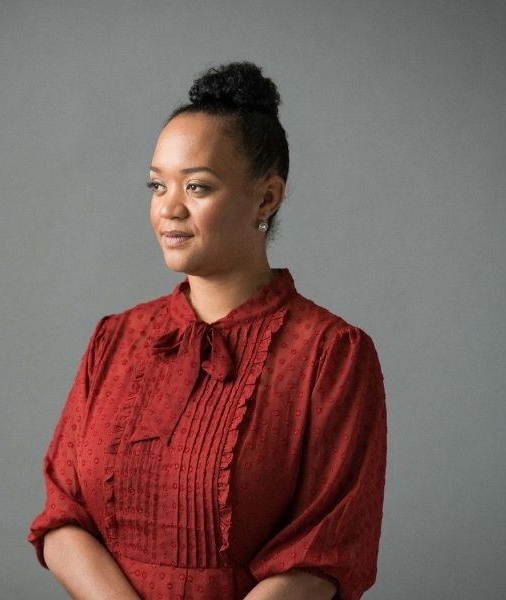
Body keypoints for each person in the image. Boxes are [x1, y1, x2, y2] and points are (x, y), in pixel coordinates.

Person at [27, 61, 387, 600]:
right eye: (157, 184)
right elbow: (62, 516)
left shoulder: (331, 354)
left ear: (266, 198)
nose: (168, 208)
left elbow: (327, 553)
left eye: (197, 186)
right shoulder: (115, 338)